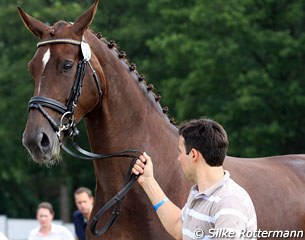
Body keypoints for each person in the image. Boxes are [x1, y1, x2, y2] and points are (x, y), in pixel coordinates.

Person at [132, 118, 257, 240]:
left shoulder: (229, 203)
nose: (179, 159)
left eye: (180, 152)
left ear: (193, 155)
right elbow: (179, 229)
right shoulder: (200, 194)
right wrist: (148, 182)